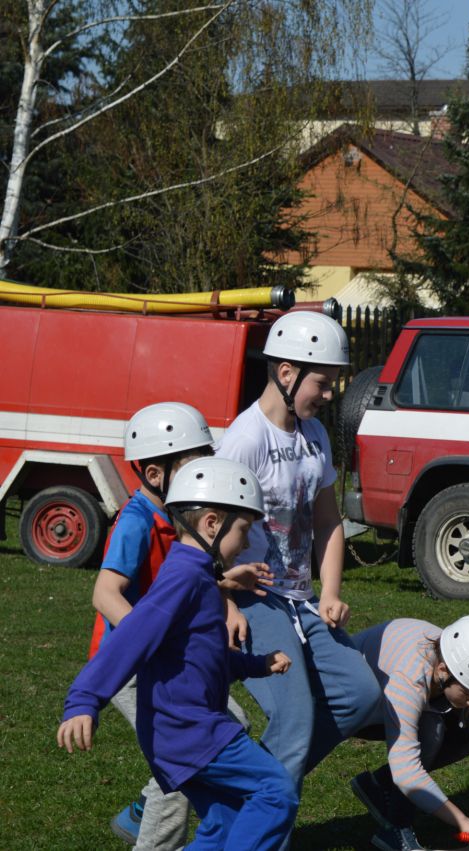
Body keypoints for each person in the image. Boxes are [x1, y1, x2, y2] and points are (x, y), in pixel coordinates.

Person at [58, 458, 297, 850]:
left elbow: (204, 657)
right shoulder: (184, 578)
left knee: (224, 821)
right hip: (190, 731)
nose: (245, 543)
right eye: (243, 530)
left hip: (180, 734)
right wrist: (84, 699)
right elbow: (130, 638)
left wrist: (258, 665)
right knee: (276, 791)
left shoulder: (198, 576)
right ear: (212, 524)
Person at [215, 310, 381, 791]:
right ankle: (259, 816)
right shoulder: (244, 441)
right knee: (295, 719)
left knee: (360, 694)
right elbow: (209, 535)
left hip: (302, 600)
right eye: (323, 384)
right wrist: (225, 602)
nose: (329, 396)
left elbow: (328, 521)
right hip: (253, 599)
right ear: (286, 373)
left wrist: (330, 592)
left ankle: (249, 793)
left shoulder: (315, 436)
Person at [93, 402, 254, 849]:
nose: (204, 474)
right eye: (193, 465)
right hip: (129, 667)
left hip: (160, 658)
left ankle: (142, 813)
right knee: (191, 747)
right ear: (154, 473)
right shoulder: (137, 521)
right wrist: (149, 642)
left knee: (225, 726)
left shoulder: (179, 519)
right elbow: (104, 594)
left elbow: (179, 586)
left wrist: (225, 589)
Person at [349, 615, 469, 851]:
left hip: (404, 695)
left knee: (466, 735)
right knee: (432, 731)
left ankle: (379, 785)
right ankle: (395, 830)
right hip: (352, 706)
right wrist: (463, 822)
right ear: (443, 671)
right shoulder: (410, 674)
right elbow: (405, 768)